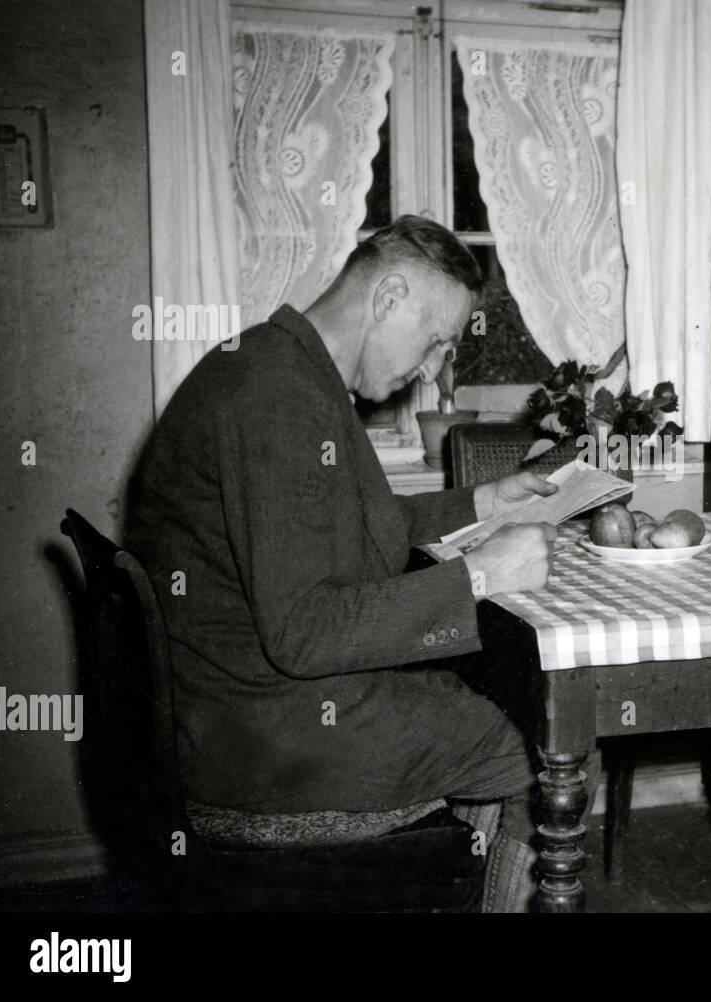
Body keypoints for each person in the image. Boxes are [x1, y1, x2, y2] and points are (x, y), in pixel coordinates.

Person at [127, 215, 554, 911]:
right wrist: (482, 575)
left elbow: (357, 525)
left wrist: (485, 502)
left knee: (486, 699)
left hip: (240, 710)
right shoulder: (278, 401)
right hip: (268, 743)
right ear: (387, 298)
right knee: (547, 743)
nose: (433, 368)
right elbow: (306, 632)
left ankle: (452, 887)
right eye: (438, 340)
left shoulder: (279, 367)